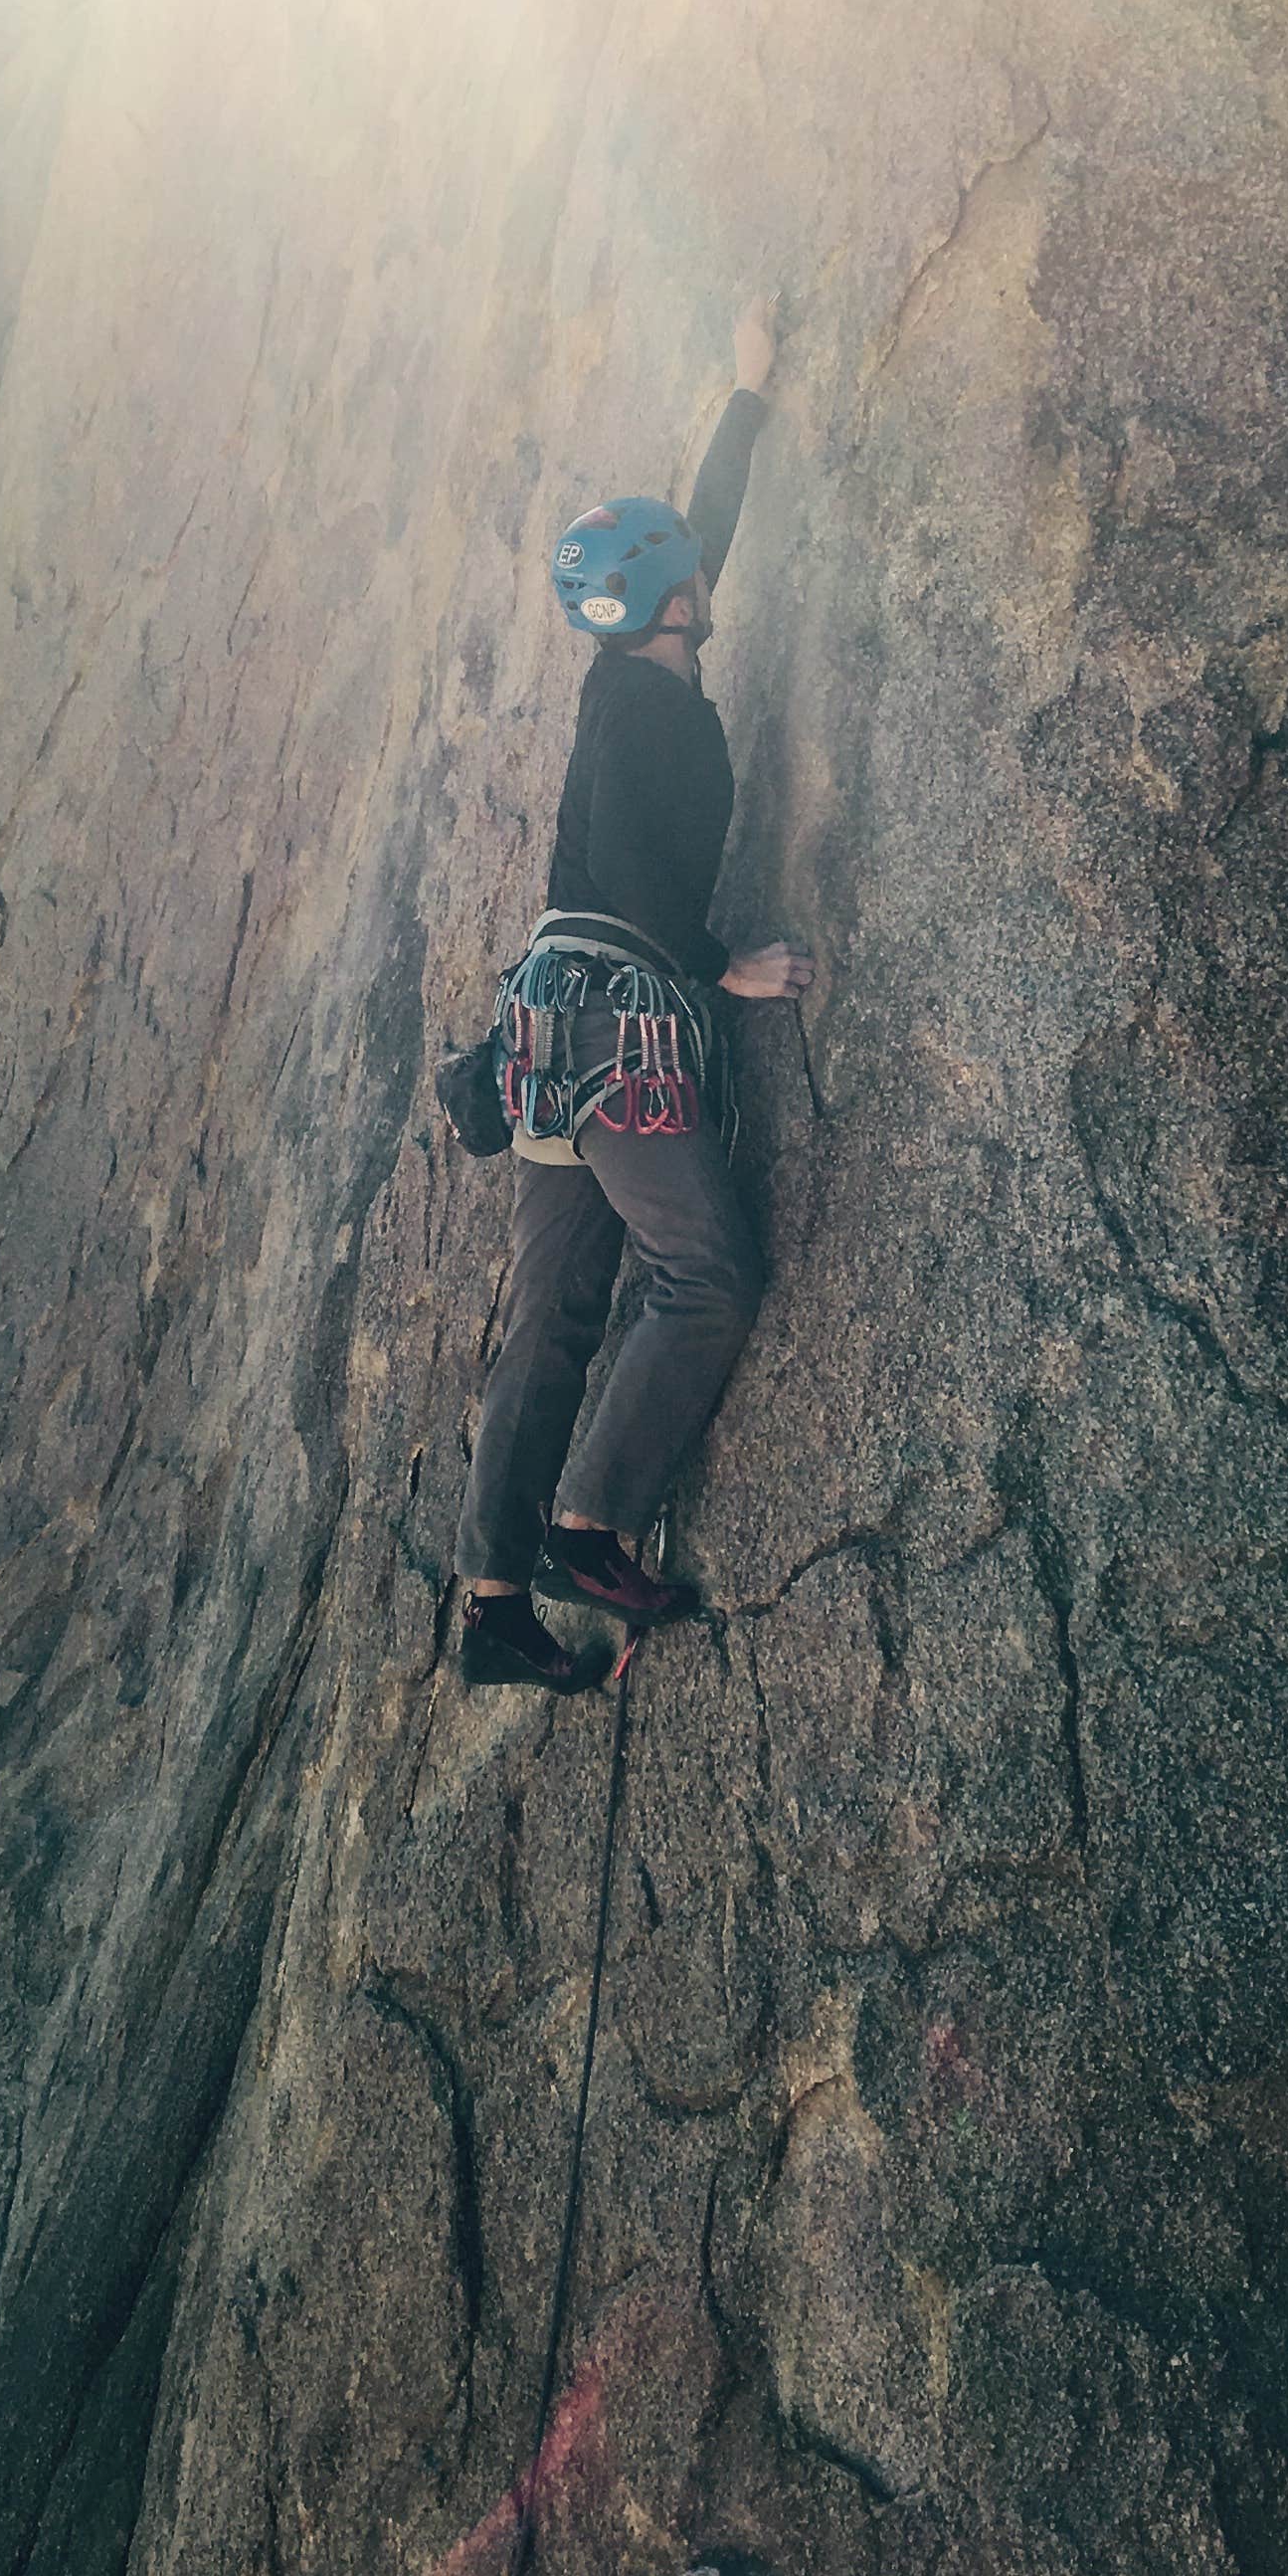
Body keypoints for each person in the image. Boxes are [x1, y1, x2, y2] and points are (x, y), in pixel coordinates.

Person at [458, 299, 815, 1688]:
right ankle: (587, 1527)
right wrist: (727, 965)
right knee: (704, 1275)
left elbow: (697, 536)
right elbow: (624, 867)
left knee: (554, 1319)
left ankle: (493, 1606)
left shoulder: (635, 670)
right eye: (690, 575)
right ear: (673, 603)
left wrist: (746, 396)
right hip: (614, 1027)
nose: (708, 576)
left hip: (545, 1033)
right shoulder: (649, 709)